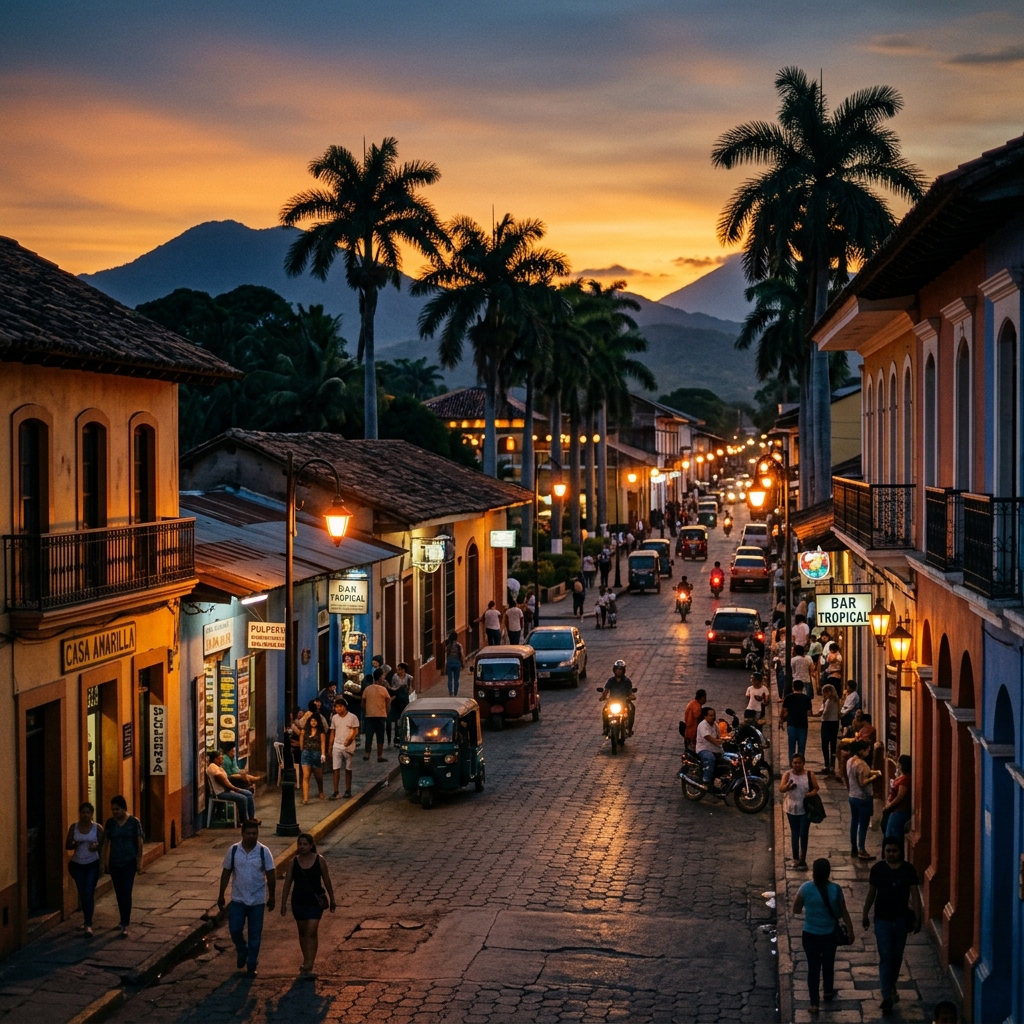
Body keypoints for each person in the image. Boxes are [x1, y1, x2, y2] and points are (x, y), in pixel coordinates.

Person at [862, 837, 923, 1014]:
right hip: (882, 920)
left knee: (896, 957)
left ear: (900, 852)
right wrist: (865, 913)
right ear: (883, 851)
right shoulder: (878, 869)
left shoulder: (908, 870)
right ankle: (886, 995)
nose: (891, 854)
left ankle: (891, 984)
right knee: (886, 955)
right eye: (888, 851)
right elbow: (871, 893)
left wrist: (918, 917)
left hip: (901, 920)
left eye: (894, 851)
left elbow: (915, 895)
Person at [793, 858, 855, 1014]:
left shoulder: (805, 889)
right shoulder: (836, 890)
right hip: (829, 935)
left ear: (813, 872)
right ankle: (828, 992)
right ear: (828, 873)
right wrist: (851, 930)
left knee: (813, 968)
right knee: (828, 964)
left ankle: (814, 1003)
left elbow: (796, 909)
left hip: (810, 934)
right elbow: (844, 912)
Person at [218, 819, 276, 978]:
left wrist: (272, 897)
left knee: (255, 934)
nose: (252, 836)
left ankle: (252, 963)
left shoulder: (264, 852)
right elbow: (226, 873)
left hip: (257, 901)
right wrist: (221, 894)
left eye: (255, 833)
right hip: (238, 900)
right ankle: (242, 949)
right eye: (249, 833)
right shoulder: (234, 850)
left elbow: (271, 875)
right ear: (242, 833)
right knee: (235, 929)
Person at [280, 832, 336, 976]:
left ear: (311, 846)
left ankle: (310, 964)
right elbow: (287, 884)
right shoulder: (293, 862)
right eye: (300, 844)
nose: (302, 847)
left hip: (314, 902)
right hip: (299, 902)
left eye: (305, 844)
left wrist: (332, 898)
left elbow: (327, 880)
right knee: (303, 932)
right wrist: (283, 903)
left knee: (312, 931)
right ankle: (306, 961)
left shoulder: (319, 860)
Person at [101, 795, 143, 938]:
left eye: (117, 809)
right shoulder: (110, 823)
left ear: (124, 808)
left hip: (129, 861)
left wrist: (139, 861)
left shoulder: (133, 822)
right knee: (119, 893)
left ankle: (125, 923)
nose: (115, 812)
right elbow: (106, 842)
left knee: (126, 891)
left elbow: (139, 841)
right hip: (115, 862)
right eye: (113, 809)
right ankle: (122, 919)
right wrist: (104, 861)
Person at [65, 801, 103, 936]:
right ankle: (86, 919)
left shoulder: (97, 828)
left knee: (88, 891)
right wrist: (75, 843)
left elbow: (102, 845)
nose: (85, 815)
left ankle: (88, 924)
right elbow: (68, 845)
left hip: (92, 863)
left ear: (92, 814)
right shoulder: (74, 827)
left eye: (88, 813)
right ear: (80, 814)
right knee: (82, 893)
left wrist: (96, 846)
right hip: (77, 864)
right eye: (83, 812)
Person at [780, 753, 819, 869]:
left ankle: (803, 858)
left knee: (803, 833)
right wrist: (788, 785)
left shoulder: (809, 774)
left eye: (799, 763)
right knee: (794, 833)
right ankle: (795, 858)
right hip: (791, 807)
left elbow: (816, 788)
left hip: (805, 808)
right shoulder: (787, 774)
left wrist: (810, 794)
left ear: (803, 763)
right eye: (794, 763)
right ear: (791, 763)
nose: (797, 765)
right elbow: (781, 789)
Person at [847, 740, 881, 860]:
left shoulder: (850, 761)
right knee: (863, 824)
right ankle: (861, 849)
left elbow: (859, 775)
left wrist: (872, 772)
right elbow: (863, 782)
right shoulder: (861, 764)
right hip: (863, 798)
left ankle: (854, 847)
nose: (868, 752)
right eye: (867, 750)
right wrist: (875, 777)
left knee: (854, 822)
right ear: (862, 750)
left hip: (852, 796)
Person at [208, 748, 257, 821]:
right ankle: (244, 820)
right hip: (221, 793)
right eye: (220, 758)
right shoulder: (213, 767)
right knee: (243, 798)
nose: (222, 760)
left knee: (248, 793)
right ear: (215, 759)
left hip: (226, 790)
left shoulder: (218, 767)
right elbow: (225, 783)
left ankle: (252, 818)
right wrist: (236, 789)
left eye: (222, 758)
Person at [328, 698, 360, 799]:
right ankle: (336, 791)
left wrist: (350, 740)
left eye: (339, 707)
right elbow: (332, 732)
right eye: (336, 707)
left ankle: (348, 790)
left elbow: (355, 731)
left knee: (348, 768)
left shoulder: (352, 717)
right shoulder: (334, 718)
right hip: (337, 745)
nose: (338, 709)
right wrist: (330, 746)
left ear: (344, 707)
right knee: (335, 768)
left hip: (348, 746)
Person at [361, 671, 391, 762]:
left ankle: (367, 754)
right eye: (382, 676)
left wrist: (367, 710)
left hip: (369, 716)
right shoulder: (383, 690)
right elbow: (388, 702)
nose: (383, 678)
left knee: (369, 736)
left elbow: (362, 703)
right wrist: (386, 712)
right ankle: (379, 756)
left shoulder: (367, 689)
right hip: (381, 716)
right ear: (380, 678)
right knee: (380, 737)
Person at [601, 659, 635, 736]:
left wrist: (632, 696)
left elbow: (630, 692)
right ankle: (606, 728)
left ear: (623, 671)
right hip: (612, 701)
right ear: (614, 670)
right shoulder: (611, 680)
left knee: (632, 708)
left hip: (624, 701)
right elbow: (606, 690)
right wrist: (603, 697)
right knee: (604, 710)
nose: (618, 671)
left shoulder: (627, 681)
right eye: (617, 669)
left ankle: (629, 729)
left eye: (620, 670)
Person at [781, 679, 813, 760]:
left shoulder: (788, 698)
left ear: (793, 687)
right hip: (803, 725)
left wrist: (781, 720)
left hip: (791, 724)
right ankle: (800, 763)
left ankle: (792, 763)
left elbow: (784, 712)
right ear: (802, 688)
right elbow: (809, 713)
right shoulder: (806, 698)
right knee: (801, 747)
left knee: (791, 746)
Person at [299, 712, 327, 804]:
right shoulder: (304, 731)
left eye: (315, 721)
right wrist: (303, 751)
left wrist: (323, 754)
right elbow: (301, 743)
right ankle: (305, 798)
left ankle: (321, 791)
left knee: (318, 776)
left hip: (316, 754)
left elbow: (323, 743)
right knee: (306, 776)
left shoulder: (320, 732)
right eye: (312, 721)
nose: (313, 722)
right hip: (306, 754)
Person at [882, 755, 912, 841]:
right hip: (896, 810)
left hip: (900, 811)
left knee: (893, 833)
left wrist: (889, 805)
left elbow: (900, 797)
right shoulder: (902, 777)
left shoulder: (905, 779)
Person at [695, 707, 725, 787]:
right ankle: (706, 780)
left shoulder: (715, 724)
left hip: (715, 748)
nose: (713, 717)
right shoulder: (702, 725)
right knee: (710, 758)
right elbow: (708, 737)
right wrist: (717, 741)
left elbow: (719, 736)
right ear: (705, 716)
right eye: (711, 715)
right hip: (704, 749)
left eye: (714, 715)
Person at [815, 683, 841, 775]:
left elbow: (824, 713)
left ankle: (827, 764)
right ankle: (832, 765)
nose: (824, 694)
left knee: (825, 744)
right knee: (833, 744)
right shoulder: (836, 700)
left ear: (830, 692)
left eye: (825, 692)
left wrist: (819, 712)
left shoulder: (829, 701)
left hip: (827, 723)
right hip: (835, 723)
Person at [385, 662, 413, 745]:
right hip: (397, 700)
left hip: (404, 700)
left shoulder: (409, 678)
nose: (397, 670)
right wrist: (398, 688)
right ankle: (397, 736)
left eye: (399, 669)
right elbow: (393, 687)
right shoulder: (395, 676)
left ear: (403, 670)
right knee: (397, 719)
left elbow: (410, 688)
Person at [444, 631, 465, 696]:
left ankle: (450, 692)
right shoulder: (459, 645)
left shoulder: (448, 646)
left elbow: (445, 656)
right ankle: (455, 693)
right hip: (457, 662)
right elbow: (462, 655)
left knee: (449, 679)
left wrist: (445, 665)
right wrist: (463, 663)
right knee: (456, 679)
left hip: (449, 662)